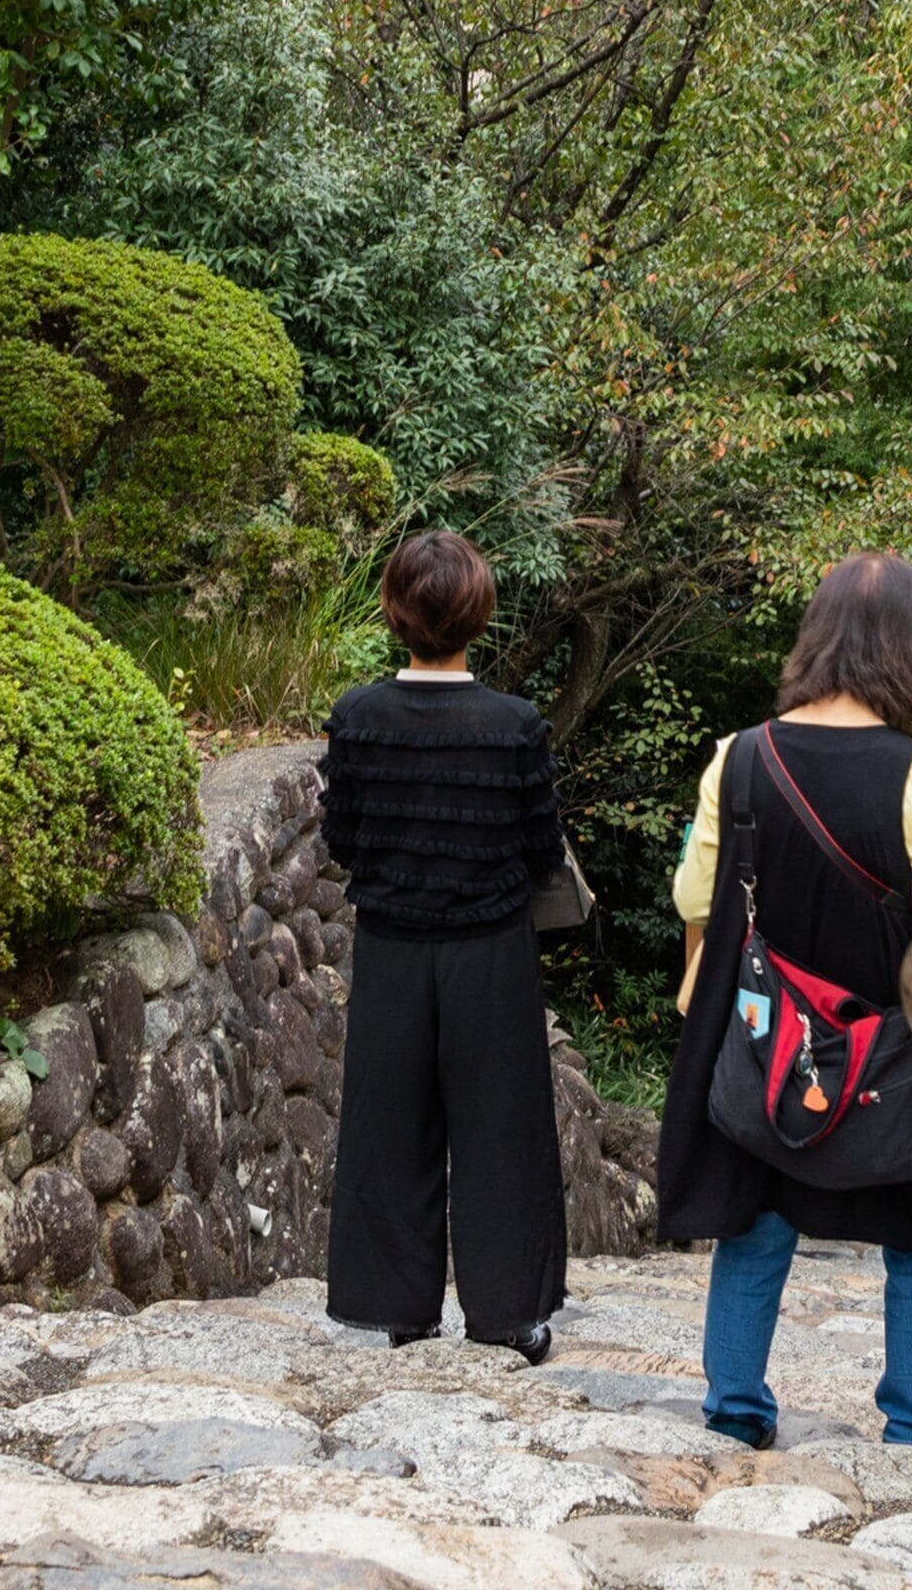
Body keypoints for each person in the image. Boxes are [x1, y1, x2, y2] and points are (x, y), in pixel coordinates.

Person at [658, 551, 912, 1449]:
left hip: (765, 1043)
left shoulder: (742, 756)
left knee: (754, 1226)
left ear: (817, 637)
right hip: (887, 1053)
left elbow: (693, 898)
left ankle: (734, 1409)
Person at [318, 530, 568, 1360]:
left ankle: (400, 1309)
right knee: (503, 1129)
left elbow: (343, 838)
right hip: (490, 947)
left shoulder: (358, 718)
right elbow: (541, 850)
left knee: (390, 1123)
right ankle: (507, 1313)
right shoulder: (513, 725)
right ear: (478, 613)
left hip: (390, 942)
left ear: (394, 610)